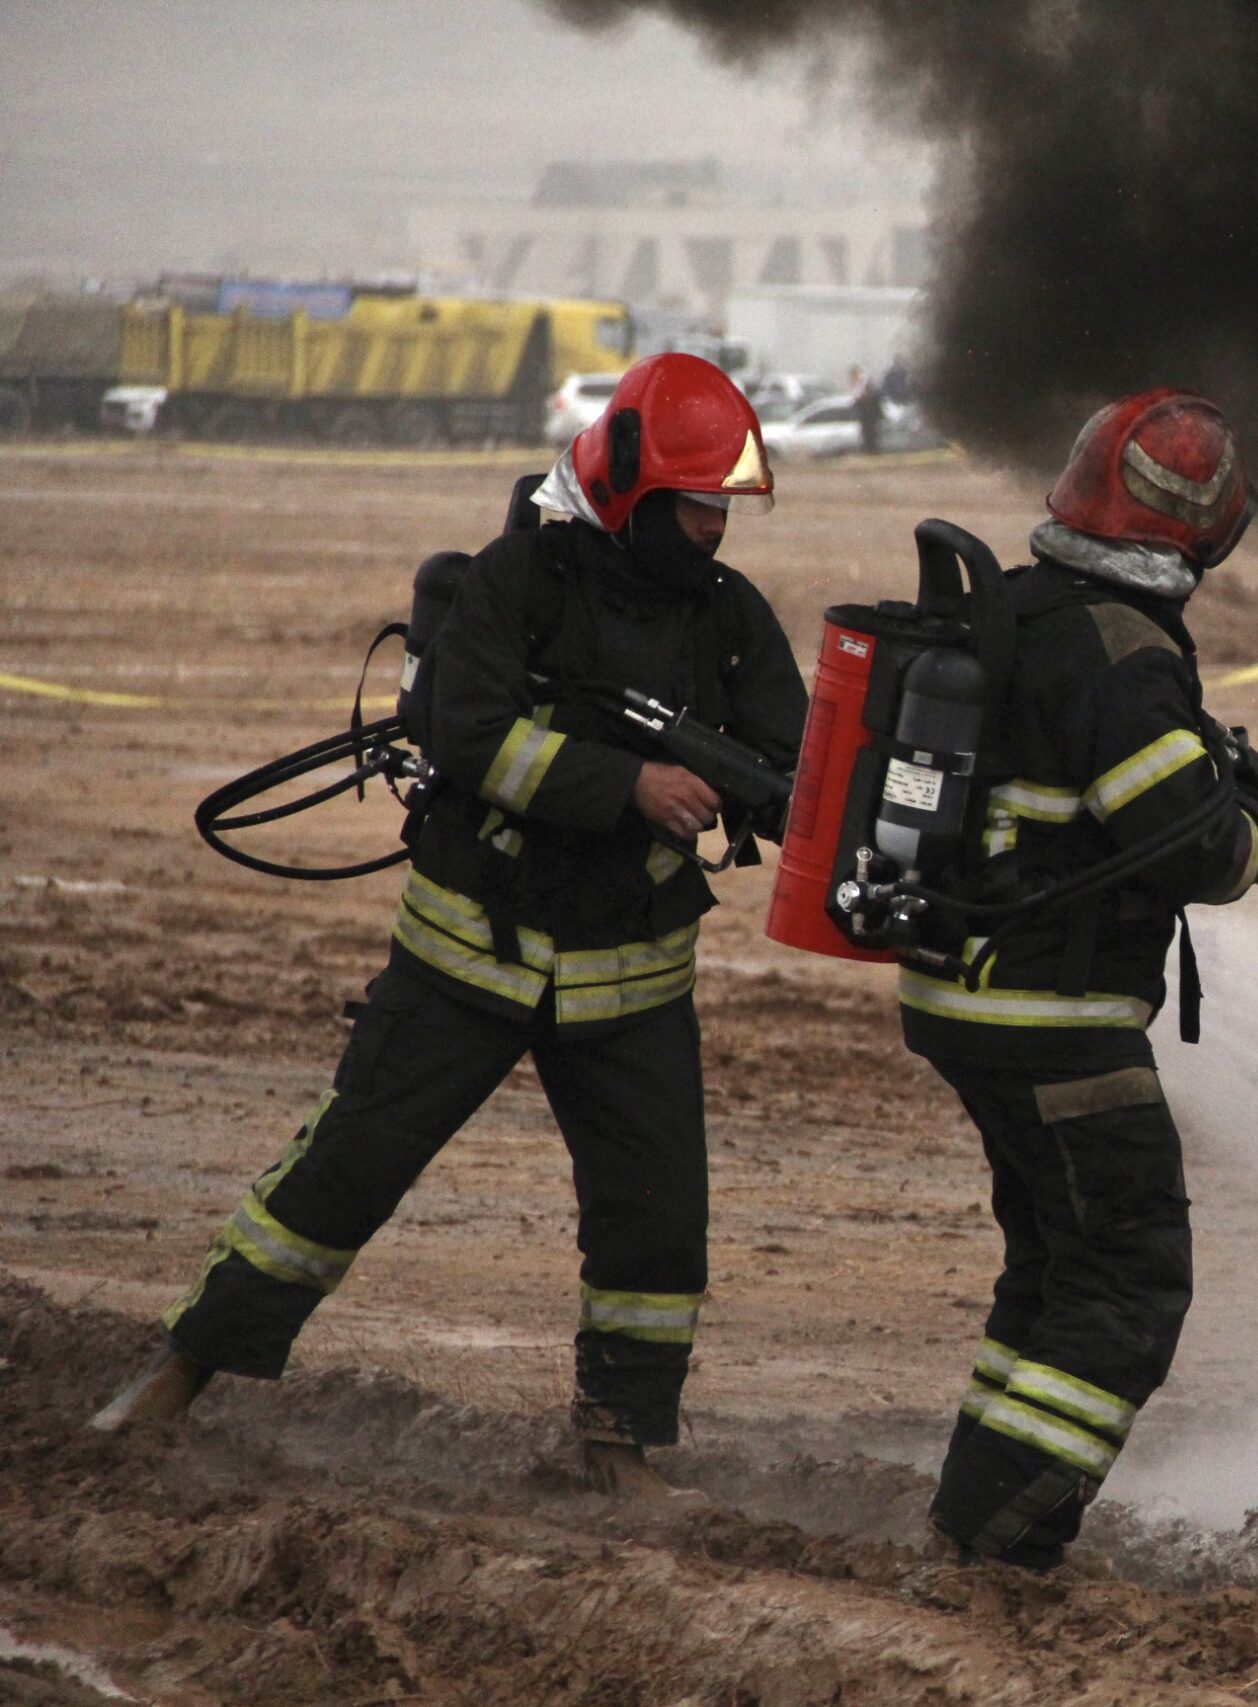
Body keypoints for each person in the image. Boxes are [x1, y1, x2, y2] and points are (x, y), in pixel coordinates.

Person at [90, 354, 810, 1502]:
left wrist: (778, 796)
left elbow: (787, 759)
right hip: (470, 949)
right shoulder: (517, 581)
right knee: (346, 1172)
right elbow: (472, 736)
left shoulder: (729, 619)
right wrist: (627, 784)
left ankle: (618, 1447)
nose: (714, 529)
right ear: (630, 492)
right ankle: (179, 1374)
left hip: (630, 974)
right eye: (695, 506)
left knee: (656, 1223)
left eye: (725, 508)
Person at [903, 389, 1258, 1569]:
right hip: (1056, 1016)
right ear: (1207, 530)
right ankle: (989, 1547)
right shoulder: (1121, 653)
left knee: (1053, 1271)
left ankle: (974, 1518)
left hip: (966, 991)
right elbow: (1188, 848)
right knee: (1129, 1285)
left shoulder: (1026, 607)